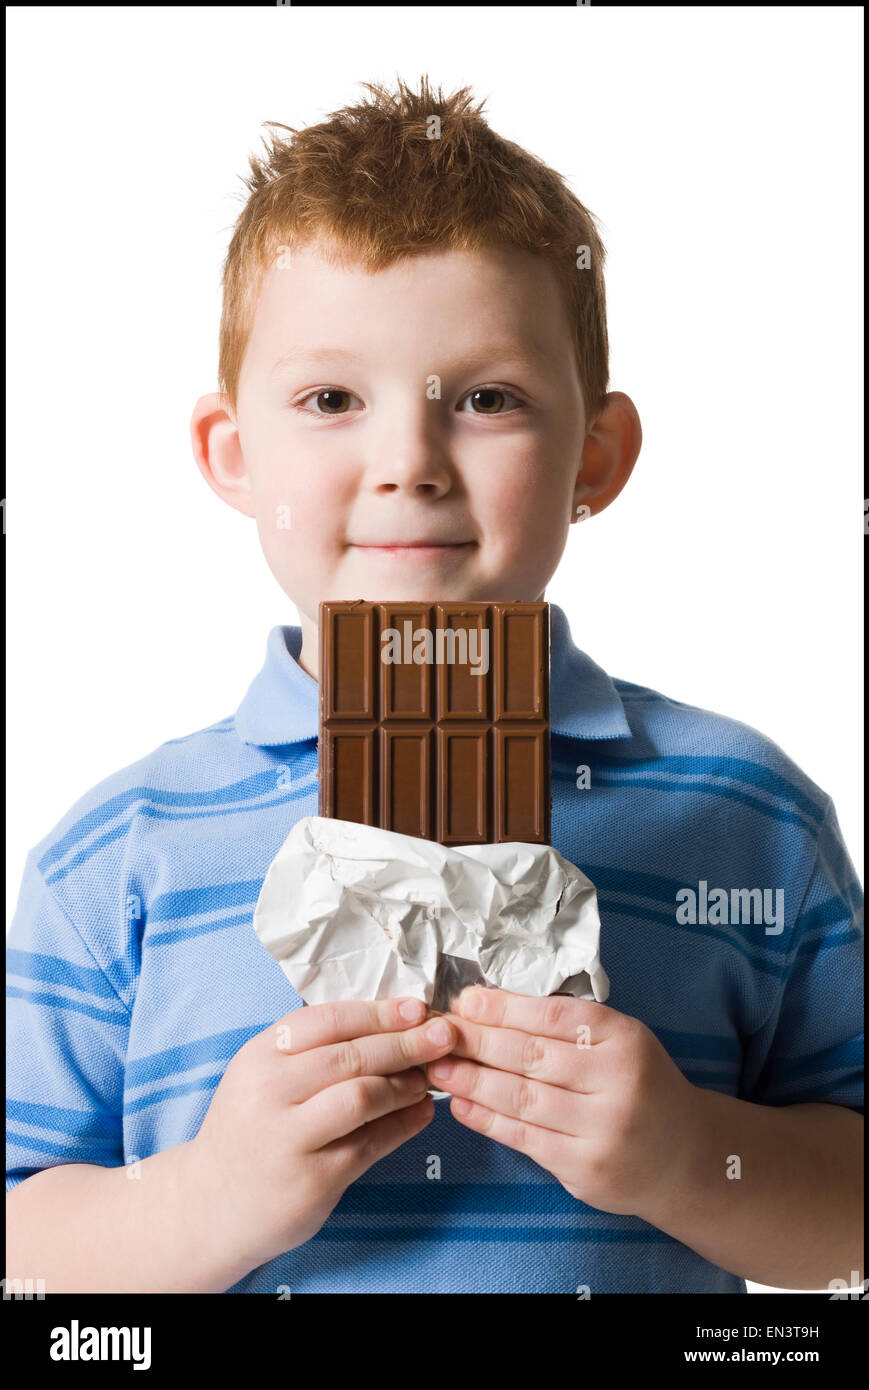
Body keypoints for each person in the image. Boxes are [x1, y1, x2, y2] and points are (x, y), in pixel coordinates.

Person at [6, 75, 862, 1294]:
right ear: (234, 456)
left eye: (484, 399)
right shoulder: (117, 855)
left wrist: (687, 1156)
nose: (407, 462)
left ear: (597, 456)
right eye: (330, 399)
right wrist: (202, 1201)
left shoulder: (743, 811)